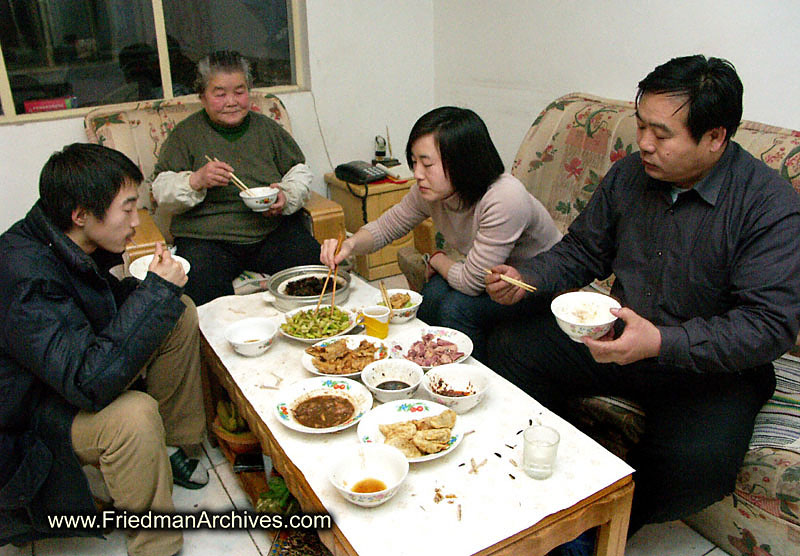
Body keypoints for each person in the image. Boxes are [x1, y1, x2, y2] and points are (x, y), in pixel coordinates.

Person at [485, 55, 800, 537]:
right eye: (641, 126)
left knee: (695, 464)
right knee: (510, 349)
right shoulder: (631, 175)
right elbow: (582, 252)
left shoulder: (769, 206)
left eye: (662, 133)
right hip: (620, 338)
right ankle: (545, 481)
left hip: (713, 370)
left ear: (716, 137)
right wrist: (522, 276)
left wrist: (660, 342)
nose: (644, 144)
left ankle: (593, 532)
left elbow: (767, 327)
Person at [0, 143, 208, 556]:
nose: (137, 221)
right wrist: (156, 292)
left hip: (61, 375)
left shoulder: (64, 238)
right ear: (81, 215)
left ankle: (170, 448)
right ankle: (157, 546)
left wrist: (152, 290)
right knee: (132, 416)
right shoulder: (25, 275)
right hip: (27, 413)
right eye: (127, 208)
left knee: (177, 311)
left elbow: (97, 310)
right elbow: (87, 382)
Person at [321, 106, 561, 361]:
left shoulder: (504, 198)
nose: (417, 174)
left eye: (427, 164)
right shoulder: (433, 190)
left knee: (455, 309)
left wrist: (436, 259)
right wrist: (350, 244)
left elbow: (472, 282)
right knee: (433, 293)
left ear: (464, 162)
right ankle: (429, 368)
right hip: (493, 279)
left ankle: (475, 380)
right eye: (414, 162)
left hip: (538, 286)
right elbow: (387, 227)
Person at [152, 50, 319, 306]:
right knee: (201, 289)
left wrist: (286, 196)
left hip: (269, 232)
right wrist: (195, 180)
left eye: (239, 92)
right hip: (207, 240)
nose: (231, 101)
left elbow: (299, 171)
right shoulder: (185, 134)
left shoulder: (267, 128)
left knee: (313, 267)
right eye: (220, 94)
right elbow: (161, 190)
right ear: (203, 97)